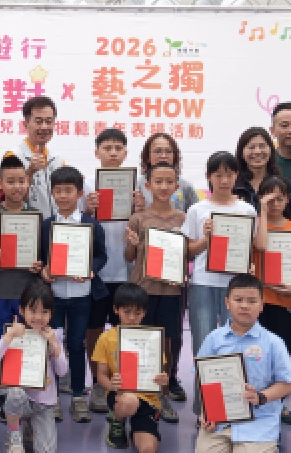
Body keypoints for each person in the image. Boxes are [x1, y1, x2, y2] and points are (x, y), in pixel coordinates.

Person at [184, 151, 268, 418]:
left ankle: (233, 406)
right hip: (203, 284)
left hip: (237, 289)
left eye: (229, 174)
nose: (223, 180)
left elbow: (252, 248)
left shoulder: (247, 210)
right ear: (208, 177)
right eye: (218, 174)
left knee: (236, 347)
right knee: (204, 346)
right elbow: (188, 251)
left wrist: (248, 266)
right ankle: (204, 409)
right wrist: (206, 239)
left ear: (236, 176)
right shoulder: (197, 210)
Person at [80, 128, 144, 415]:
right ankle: (98, 383)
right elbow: (78, 228)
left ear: (126, 153)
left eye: (119, 147)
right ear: (97, 152)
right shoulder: (87, 186)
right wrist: (88, 210)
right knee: (94, 329)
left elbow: (143, 226)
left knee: (126, 331)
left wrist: (139, 209)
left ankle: (128, 383)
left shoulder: (137, 186)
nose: (113, 152)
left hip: (127, 271)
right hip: (97, 273)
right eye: (107, 147)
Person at [194, 274, 291, 453]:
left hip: (259, 425)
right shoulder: (213, 339)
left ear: (262, 305)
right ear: (227, 303)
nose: (244, 306)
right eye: (238, 300)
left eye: (252, 301)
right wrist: (207, 411)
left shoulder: (273, 342)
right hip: (219, 423)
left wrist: (260, 397)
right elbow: (202, 377)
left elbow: (287, 384)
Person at [40, 166, 107, 423]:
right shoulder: (47, 225)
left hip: (82, 294)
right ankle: (52, 398)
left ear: (79, 193)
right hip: (54, 296)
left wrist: (91, 269)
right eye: (58, 191)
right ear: (52, 193)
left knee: (77, 345)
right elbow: (40, 258)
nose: (63, 196)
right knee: (53, 345)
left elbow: (101, 255)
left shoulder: (91, 224)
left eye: (68, 190)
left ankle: (78, 397)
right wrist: (44, 271)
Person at [137, 131, 199, 404]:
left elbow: (194, 228)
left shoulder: (186, 189)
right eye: (157, 150)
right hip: (145, 278)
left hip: (174, 280)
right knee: (145, 331)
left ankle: (169, 378)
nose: (163, 155)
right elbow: (131, 235)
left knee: (172, 333)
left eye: (168, 150)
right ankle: (142, 380)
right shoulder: (137, 187)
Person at [124, 162, 186, 423]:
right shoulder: (138, 218)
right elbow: (129, 256)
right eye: (158, 181)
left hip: (171, 291)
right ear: (148, 186)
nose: (163, 186)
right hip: (143, 290)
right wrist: (133, 244)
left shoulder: (182, 218)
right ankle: (137, 393)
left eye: (169, 181)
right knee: (141, 343)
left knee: (167, 344)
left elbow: (187, 255)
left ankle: (162, 394)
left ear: (176, 186)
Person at [0, 155, 43, 423]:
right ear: (0, 183)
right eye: (10, 181)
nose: (17, 186)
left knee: (27, 342)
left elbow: (45, 255)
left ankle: (25, 391)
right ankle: (1, 393)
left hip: (27, 292)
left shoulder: (37, 217)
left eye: (21, 181)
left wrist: (40, 264)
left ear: (28, 182)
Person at [0, 282, 68, 453]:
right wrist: (9, 336)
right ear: (21, 310)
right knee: (15, 392)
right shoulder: (15, 333)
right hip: (19, 400)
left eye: (44, 311)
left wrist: (55, 344)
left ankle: (31, 427)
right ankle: (14, 434)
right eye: (33, 310)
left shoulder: (52, 336)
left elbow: (62, 371)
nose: (38, 317)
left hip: (44, 404)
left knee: (46, 450)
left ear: (51, 313)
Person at [250, 175, 291, 426]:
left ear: (287, 200)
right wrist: (261, 210)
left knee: (280, 353)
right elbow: (260, 246)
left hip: (284, 302)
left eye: (279, 199)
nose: (274, 204)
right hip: (258, 303)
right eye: (268, 199)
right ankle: (255, 401)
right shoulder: (255, 226)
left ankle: (278, 405)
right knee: (255, 354)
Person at [92, 283, 168, 452]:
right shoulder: (106, 338)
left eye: (138, 313)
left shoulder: (153, 338)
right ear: (116, 309)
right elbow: (101, 375)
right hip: (121, 395)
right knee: (129, 401)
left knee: (148, 449)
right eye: (127, 312)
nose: (132, 318)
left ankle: (138, 426)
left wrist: (163, 380)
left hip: (148, 398)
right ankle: (117, 421)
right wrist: (111, 385)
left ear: (145, 312)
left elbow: (159, 375)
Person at [6, 96, 64, 216]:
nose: (44, 127)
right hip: (27, 223)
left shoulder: (58, 159)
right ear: (25, 124)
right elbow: (10, 199)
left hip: (54, 225)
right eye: (38, 121)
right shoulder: (13, 156)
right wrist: (30, 172)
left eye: (49, 121)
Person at [233, 126, 291, 220]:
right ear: (241, 153)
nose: (257, 151)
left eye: (262, 146)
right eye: (251, 147)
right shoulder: (233, 185)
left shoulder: (284, 185)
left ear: (271, 150)